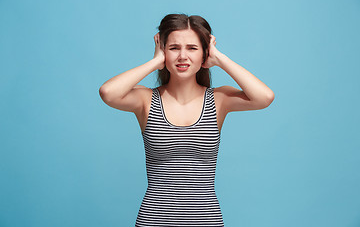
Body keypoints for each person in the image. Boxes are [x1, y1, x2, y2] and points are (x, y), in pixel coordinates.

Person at [99, 13, 274, 226]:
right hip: (154, 220)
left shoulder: (218, 100)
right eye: (174, 48)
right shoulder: (146, 100)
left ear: (204, 53)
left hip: (206, 220)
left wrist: (219, 59)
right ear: (164, 51)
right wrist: (155, 62)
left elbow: (264, 97)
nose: (183, 56)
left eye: (192, 48)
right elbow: (108, 92)